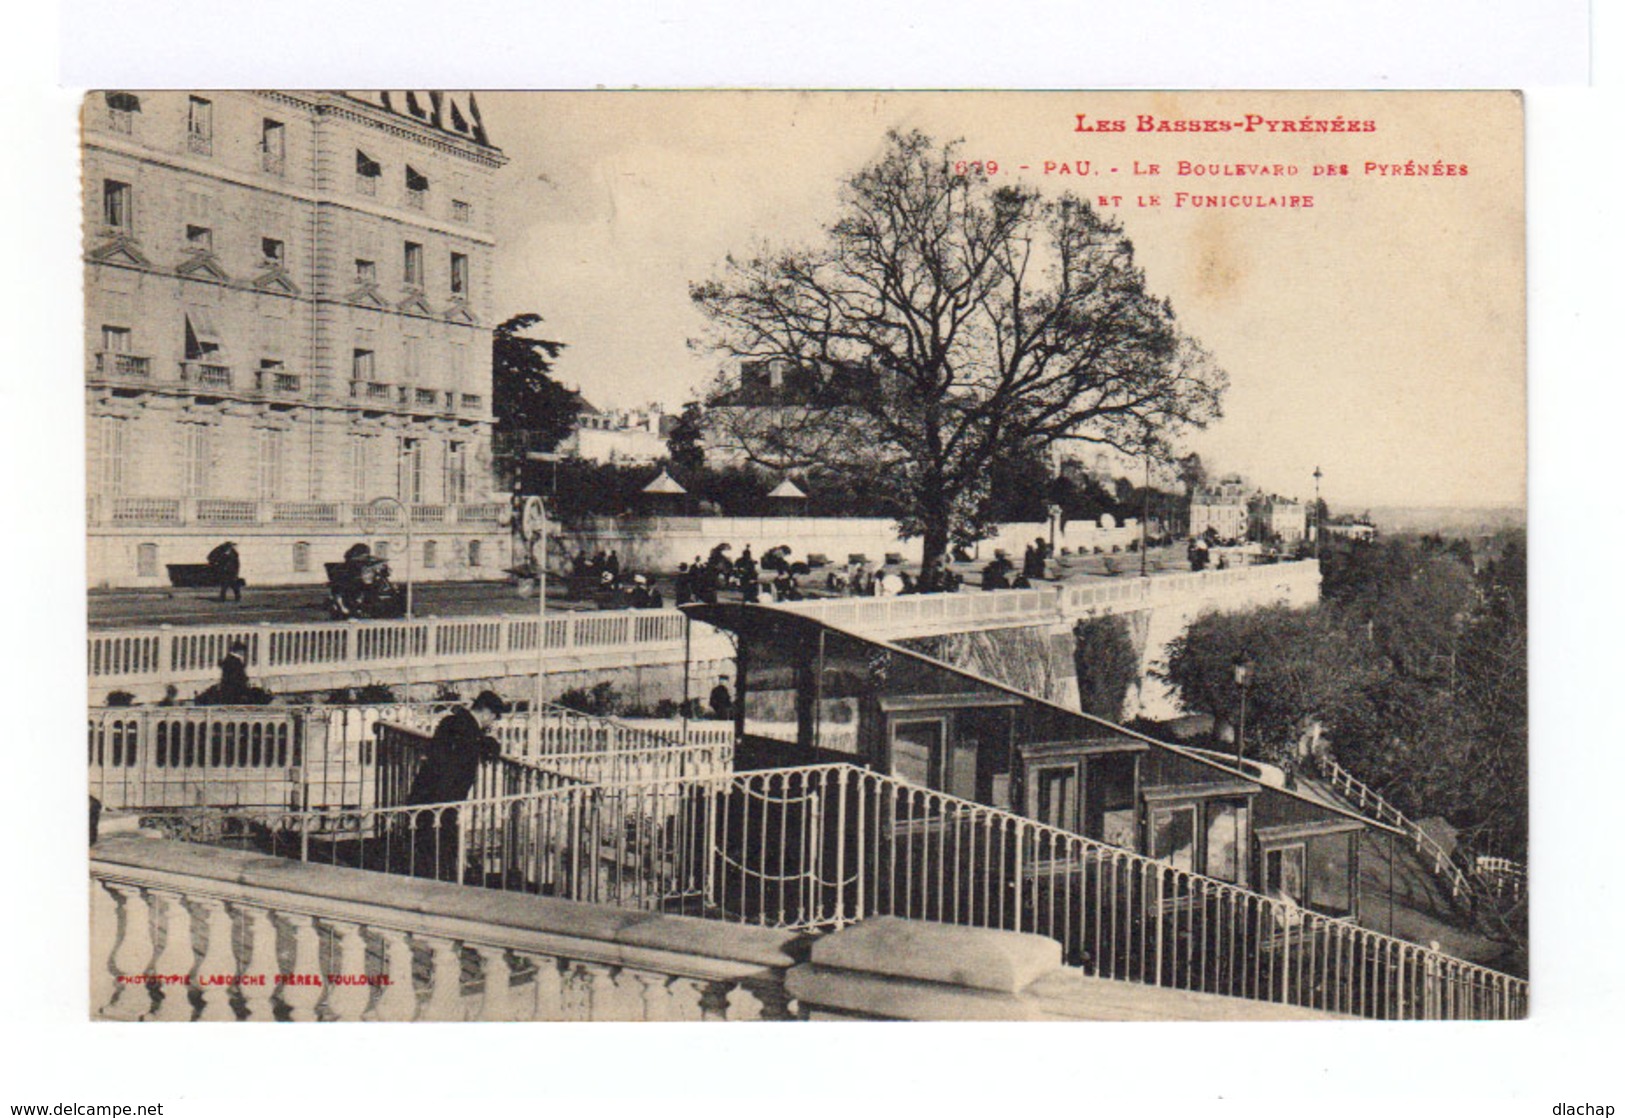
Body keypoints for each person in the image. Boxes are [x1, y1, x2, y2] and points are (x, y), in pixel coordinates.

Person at [405, 690, 509, 883]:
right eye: (493, 718)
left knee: (427, 840)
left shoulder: (453, 721)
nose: (492, 723)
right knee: (441, 842)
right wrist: (492, 743)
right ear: (486, 712)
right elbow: (474, 748)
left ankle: (432, 877)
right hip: (443, 796)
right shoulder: (468, 728)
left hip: (427, 791)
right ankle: (442, 881)